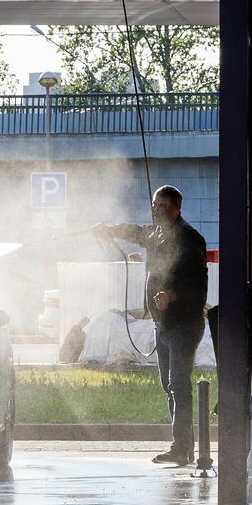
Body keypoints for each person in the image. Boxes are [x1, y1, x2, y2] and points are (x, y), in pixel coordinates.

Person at [95, 185, 208, 464]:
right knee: (168, 386)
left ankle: (182, 449)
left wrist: (173, 295)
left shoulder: (189, 238)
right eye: (154, 205)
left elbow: (199, 286)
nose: (156, 210)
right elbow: (135, 231)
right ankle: (181, 445)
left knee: (178, 384)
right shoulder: (156, 234)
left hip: (184, 324)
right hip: (163, 324)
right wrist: (110, 228)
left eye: (162, 206)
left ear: (177, 208)